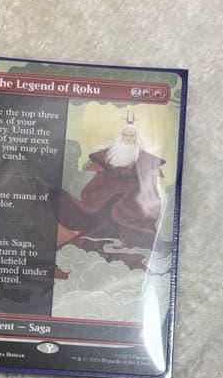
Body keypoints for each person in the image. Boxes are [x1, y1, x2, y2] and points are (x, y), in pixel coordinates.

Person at [51, 109, 165, 271]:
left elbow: (150, 193)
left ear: (136, 138)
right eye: (126, 136)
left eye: (132, 136)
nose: (129, 139)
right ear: (121, 137)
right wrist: (110, 192)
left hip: (132, 211)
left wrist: (129, 197)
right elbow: (93, 189)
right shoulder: (107, 159)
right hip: (102, 213)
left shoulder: (146, 162)